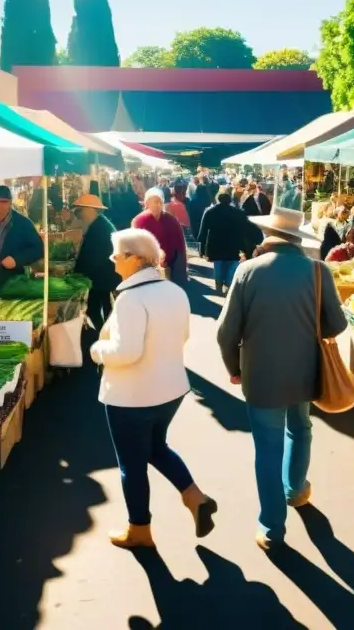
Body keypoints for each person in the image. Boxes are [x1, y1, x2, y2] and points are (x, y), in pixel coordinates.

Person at [216, 234, 348, 549]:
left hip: (261, 376)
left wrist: (234, 368)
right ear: (296, 240)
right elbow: (337, 324)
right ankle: (297, 490)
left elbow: (225, 334)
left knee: (267, 449)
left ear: (267, 238)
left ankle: (272, 528)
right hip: (306, 370)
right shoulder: (318, 269)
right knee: (300, 427)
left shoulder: (247, 270)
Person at [90, 229, 217, 548]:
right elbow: (183, 336)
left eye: (117, 256)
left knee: (131, 466)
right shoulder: (173, 291)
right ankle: (194, 497)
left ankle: (140, 530)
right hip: (170, 389)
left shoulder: (131, 298)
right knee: (154, 448)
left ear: (135, 259)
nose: (114, 262)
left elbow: (125, 353)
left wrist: (96, 350)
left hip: (132, 396)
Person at [72, 194, 121, 332]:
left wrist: (76, 275)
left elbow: (92, 258)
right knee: (104, 310)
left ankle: (98, 338)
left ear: (89, 209)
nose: (78, 214)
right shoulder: (99, 223)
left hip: (102, 279)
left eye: (79, 210)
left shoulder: (99, 228)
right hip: (104, 277)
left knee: (95, 311)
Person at [198, 186, 252, 295]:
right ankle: (228, 283)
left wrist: (202, 248)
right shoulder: (239, 213)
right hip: (234, 245)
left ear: (218, 199)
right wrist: (246, 249)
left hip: (215, 245)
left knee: (218, 265)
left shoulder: (210, 212)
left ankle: (218, 286)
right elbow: (245, 231)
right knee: (232, 265)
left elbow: (203, 231)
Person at [133, 188, 189, 286]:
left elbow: (180, 247)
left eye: (160, 202)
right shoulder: (139, 221)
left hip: (169, 267)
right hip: (146, 268)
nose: (158, 204)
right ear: (147, 204)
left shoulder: (171, 220)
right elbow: (135, 247)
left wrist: (180, 271)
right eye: (154, 202)